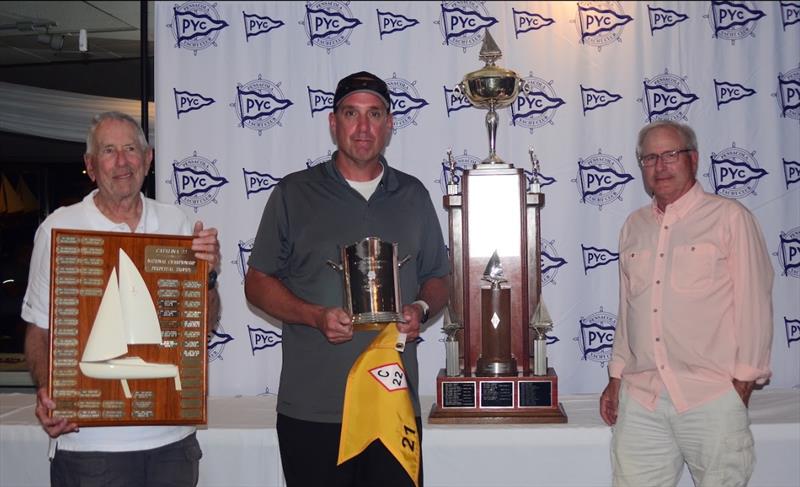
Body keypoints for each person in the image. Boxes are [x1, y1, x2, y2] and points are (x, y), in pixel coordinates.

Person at [244, 71, 449, 487]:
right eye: (351, 114)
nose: (362, 127)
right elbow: (256, 281)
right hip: (315, 409)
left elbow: (439, 277)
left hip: (392, 406)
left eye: (374, 114)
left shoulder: (413, 195)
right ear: (333, 122)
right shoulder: (293, 193)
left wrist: (421, 309)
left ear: (389, 124)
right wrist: (313, 315)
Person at [22, 111, 221, 487]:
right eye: (108, 151)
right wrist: (47, 390)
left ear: (147, 160)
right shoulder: (58, 228)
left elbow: (204, 325)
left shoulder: (180, 223)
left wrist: (208, 277)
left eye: (131, 149)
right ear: (91, 166)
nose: (122, 161)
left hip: (172, 442)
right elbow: (39, 328)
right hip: (89, 446)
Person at [599, 120, 773, 487]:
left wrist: (741, 384)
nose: (660, 166)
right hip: (642, 398)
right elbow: (627, 309)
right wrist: (617, 375)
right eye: (649, 158)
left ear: (693, 159)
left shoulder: (730, 218)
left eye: (670, 155)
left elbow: (755, 305)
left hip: (710, 397)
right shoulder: (634, 226)